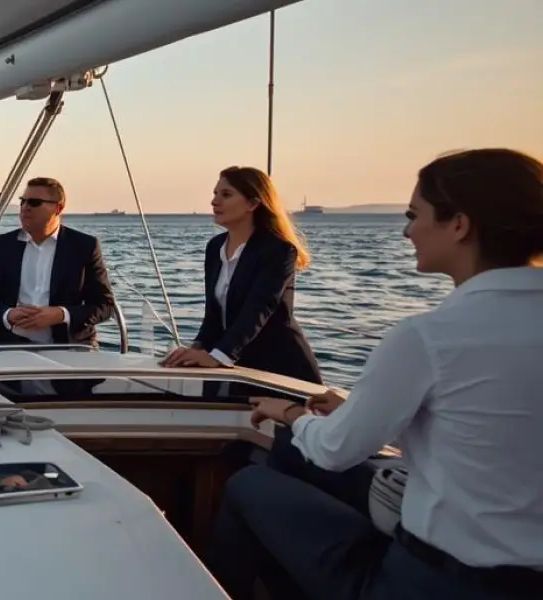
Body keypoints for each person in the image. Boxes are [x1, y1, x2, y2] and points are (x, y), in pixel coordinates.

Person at [206, 148, 543, 600]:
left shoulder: (428, 337)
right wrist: (357, 409)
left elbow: (334, 450)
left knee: (249, 483)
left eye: (413, 215)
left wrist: (288, 412)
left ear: (459, 225)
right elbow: (480, 428)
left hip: (431, 582)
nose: (406, 231)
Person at [161, 166, 322, 385]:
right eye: (215, 194)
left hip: (281, 369)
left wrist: (216, 357)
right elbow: (213, 314)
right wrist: (196, 347)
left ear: (253, 203)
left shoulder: (278, 251)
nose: (214, 202)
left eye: (226, 195)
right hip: (234, 367)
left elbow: (257, 311)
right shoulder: (215, 247)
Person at [0, 177, 117, 346]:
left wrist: (61, 314)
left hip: (69, 347)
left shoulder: (84, 246)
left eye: (34, 202)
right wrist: (8, 314)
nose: (25, 207)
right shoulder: (3, 245)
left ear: (58, 207)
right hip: (9, 345)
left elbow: (105, 306)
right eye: (22, 201)